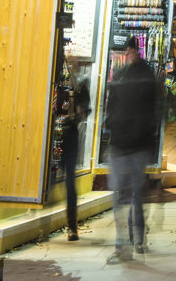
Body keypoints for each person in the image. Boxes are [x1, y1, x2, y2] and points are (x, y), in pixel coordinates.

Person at [104, 37, 161, 263]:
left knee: (122, 195)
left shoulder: (119, 77)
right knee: (136, 193)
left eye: (129, 50)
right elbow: (157, 109)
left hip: (122, 143)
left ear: (131, 51)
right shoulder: (149, 77)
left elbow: (111, 110)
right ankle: (138, 239)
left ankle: (125, 245)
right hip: (138, 143)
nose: (128, 54)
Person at [58, 60, 91, 242]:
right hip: (52, 133)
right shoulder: (55, 80)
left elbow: (86, 110)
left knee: (70, 179)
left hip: (69, 134)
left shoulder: (80, 86)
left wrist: (79, 112)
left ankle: (72, 225)